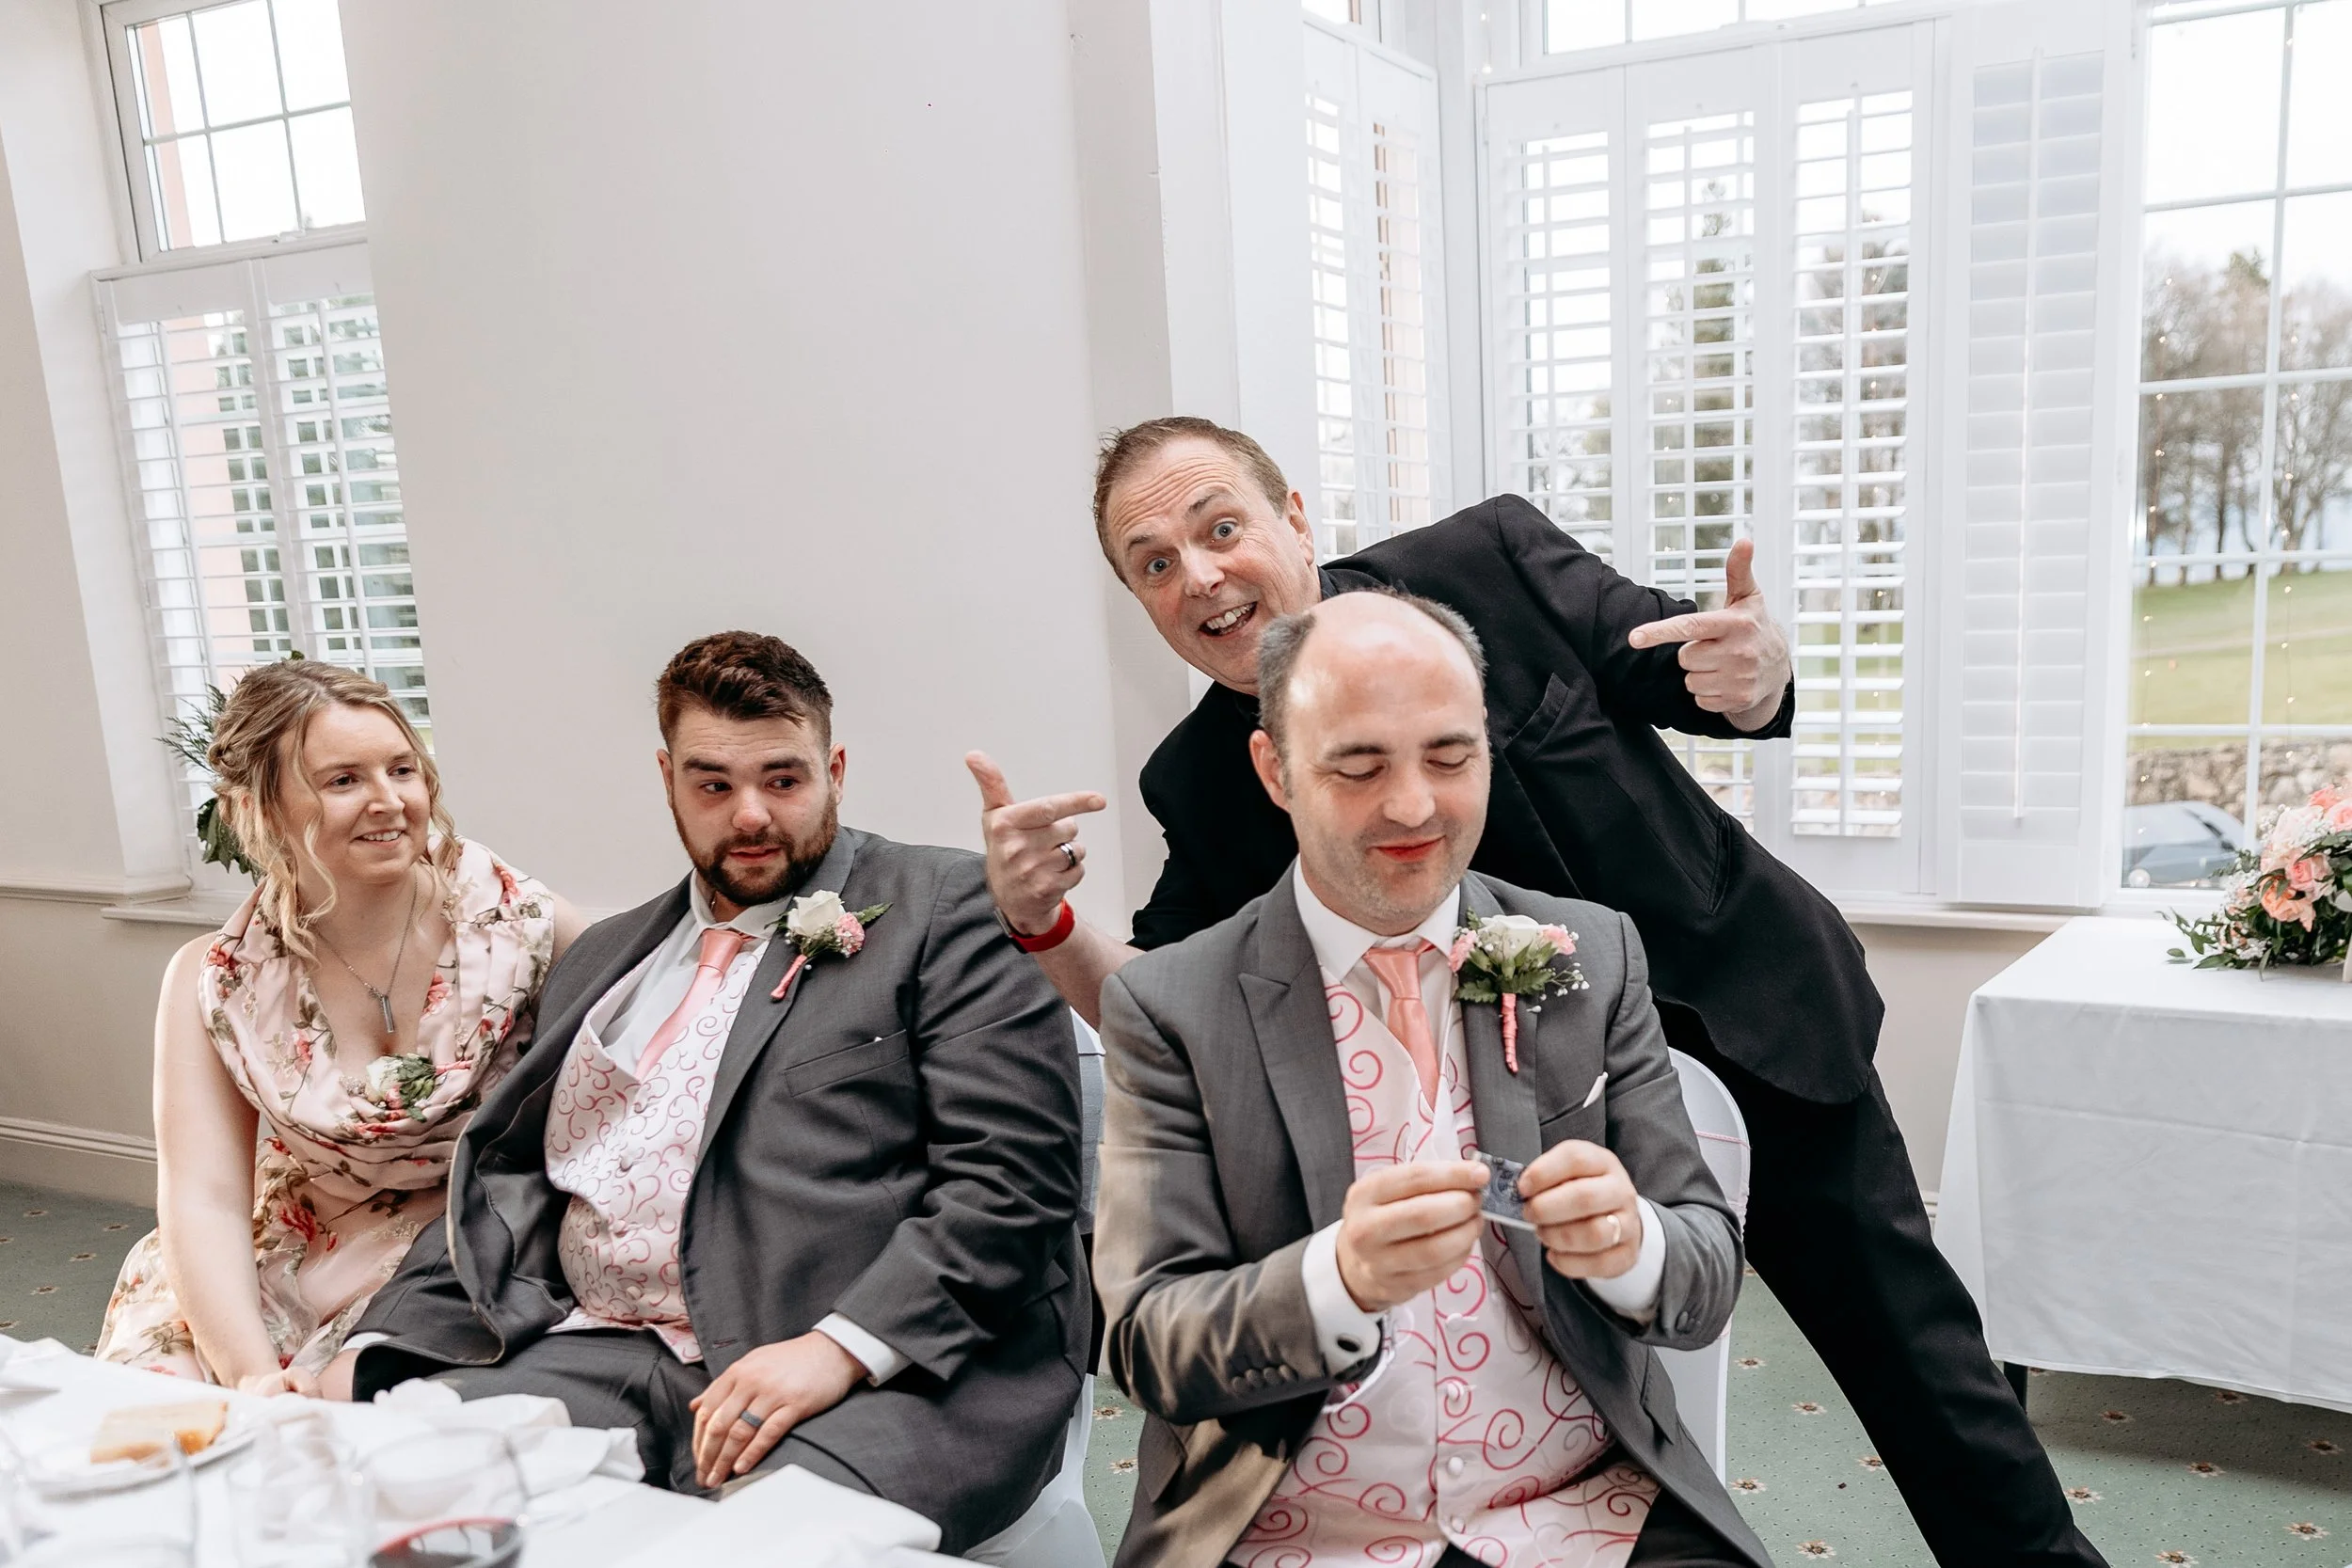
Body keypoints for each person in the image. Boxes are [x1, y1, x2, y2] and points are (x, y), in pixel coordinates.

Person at [972, 417, 2105, 1567]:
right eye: (1153, 563)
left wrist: (1755, 678)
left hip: (1745, 1010)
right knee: (1577, 1390)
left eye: (1220, 528)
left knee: (1919, 1360)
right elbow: (1164, 1000)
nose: (1199, 576)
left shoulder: (1484, 561)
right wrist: (1044, 923)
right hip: (1511, 1126)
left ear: (1296, 520)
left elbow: (1678, 657)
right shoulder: (1205, 775)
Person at [337, 632, 1087, 1554]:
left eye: (783, 778)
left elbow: (1014, 1184)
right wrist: (362, 1353)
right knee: (386, 1494)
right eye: (713, 784)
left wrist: (839, 1346)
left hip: (876, 1371)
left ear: (835, 768)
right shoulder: (603, 959)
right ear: (667, 779)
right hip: (599, 1344)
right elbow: (508, 1186)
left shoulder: (950, 905)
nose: (750, 815)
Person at [1095, 591, 1768, 1567]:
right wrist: (1338, 1277)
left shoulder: (1594, 953)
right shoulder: (1171, 1005)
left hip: (1586, 1512)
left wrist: (1632, 1245)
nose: (1412, 805)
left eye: (1450, 758)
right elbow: (1150, 1341)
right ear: (1274, 770)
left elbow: (1704, 1276)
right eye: (1359, 765)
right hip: (1295, 1531)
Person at [96, 658, 582, 1393]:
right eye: (343, 780)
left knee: (359, 1422)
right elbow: (205, 1196)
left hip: (460, 1248)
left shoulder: (528, 930)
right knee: (170, 1415)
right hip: (282, 1248)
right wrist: (250, 1373)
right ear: (257, 810)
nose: (389, 801)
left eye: (402, 769)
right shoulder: (216, 978)